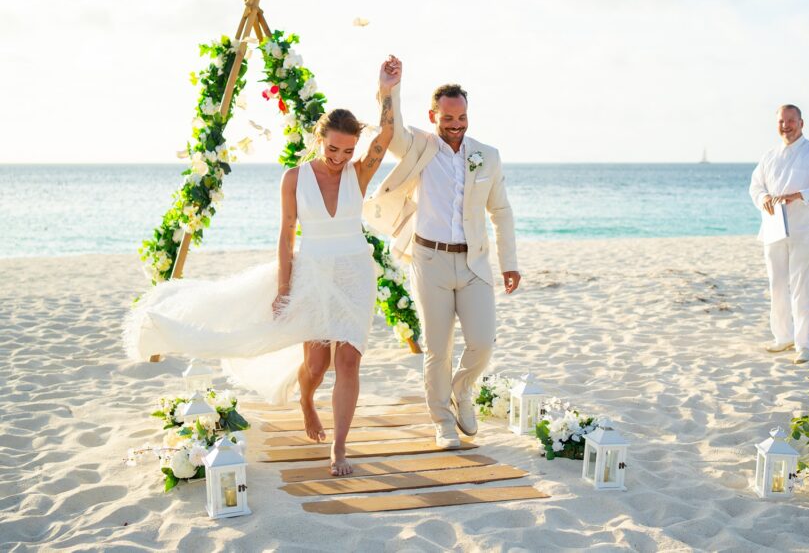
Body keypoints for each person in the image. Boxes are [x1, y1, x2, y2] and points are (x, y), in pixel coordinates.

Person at [123, 55, 401, 476]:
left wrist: (386, 90)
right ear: (319, 138)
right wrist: (284, 289)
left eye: (347, 151)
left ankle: (340, 448)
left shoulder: (358, 174)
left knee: (348, 361)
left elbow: (388, 132)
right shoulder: (294, 178)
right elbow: (287, 236)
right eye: (332, 149)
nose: (339, 158)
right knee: (315, 365)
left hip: (354, 272)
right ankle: (307, 399)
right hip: (313, 274)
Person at [364, 78, 519, 448]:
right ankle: (442, 422)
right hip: (429, 260)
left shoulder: (487, 156)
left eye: (462, 116)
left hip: (474, 263)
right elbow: (391, 128)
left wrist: (509, 262)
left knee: (482, 342)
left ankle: (461, 390)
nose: (456, 124)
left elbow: (500, 211)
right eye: (448, 117)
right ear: (433, 115)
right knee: (438, 348)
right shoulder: (419, 146)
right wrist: (390, 89)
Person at [749, 104, 809, 364]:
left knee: (802, 286)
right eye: (781, 121)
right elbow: (755, 187)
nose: (785, 126)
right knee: (777, 285)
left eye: (791, 120)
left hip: (804, 230)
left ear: (801, 123)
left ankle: (805, 344)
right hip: (773, 229)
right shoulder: (769, 156)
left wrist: (801, 194)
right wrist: (764, 197)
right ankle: (783, 337)